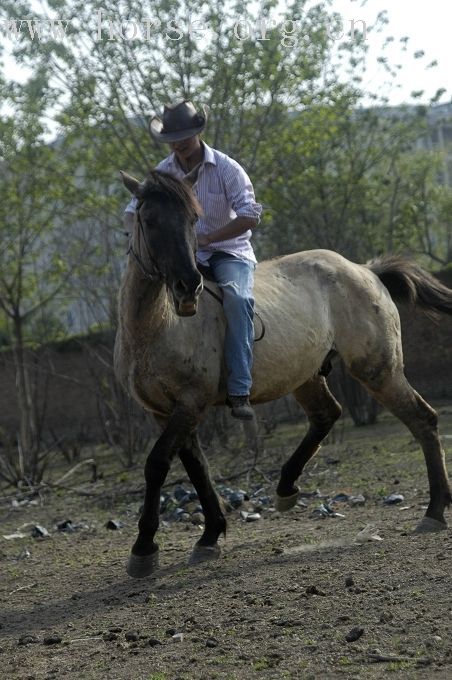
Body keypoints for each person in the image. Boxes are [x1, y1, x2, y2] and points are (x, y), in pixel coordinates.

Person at [124, 100, 262, 420]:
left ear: (198, 132)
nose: (179, 143)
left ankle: (240, 388)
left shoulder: (227, 168)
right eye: (173, 138)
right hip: (186, 256)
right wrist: (139, 239)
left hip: (230, 251)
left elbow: (249, 216)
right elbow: (131, 213)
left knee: (238, 300)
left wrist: (209, 238)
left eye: (185, 135)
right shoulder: (163, 173)